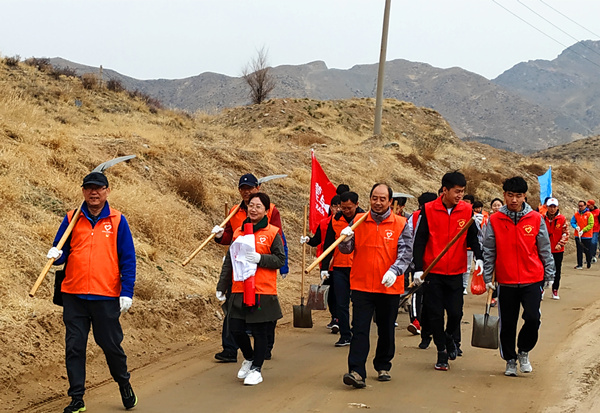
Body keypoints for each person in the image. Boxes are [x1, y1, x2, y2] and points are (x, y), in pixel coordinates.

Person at [47, 172, 137, 413]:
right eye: (89, 188)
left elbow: (128, 259)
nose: (93, 193)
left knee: (110, 345)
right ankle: (77, 398)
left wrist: (126, 292)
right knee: (74, 347)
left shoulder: (118, 220)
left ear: (107, 191)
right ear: (83, 191)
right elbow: (61, 251)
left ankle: (123, 382)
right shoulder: (72, 218)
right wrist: (56, 254)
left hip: (105, 295)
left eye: (98, 188)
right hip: (73, 294)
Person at [338, 183, 413, 388]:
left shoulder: (401, 223)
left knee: (386, 328)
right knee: (359, 329)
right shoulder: (358, 221)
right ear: (369, 199)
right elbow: (346, 250)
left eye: (382, 199)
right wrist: (345, 239)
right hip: (361, 285)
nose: (378, 202)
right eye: (374, 198)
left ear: (390, 201)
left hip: (388, 286)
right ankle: (356, 371)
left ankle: (383, 365)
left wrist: (394, 271)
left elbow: (406, 253)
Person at [482, 177, 555, 377]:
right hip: (506, 281)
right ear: (504, 195)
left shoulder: (536, 218)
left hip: (532, 278)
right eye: (510, 195)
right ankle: (510, 359)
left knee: (533, 318)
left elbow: (544, 248)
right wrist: (488, 277)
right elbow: (489, 250)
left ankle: (523, 350)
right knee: (507, 323)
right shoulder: (495, 220)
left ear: (525, 196)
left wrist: (549, 273)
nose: (514, 200)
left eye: (518, 196)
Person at [412, 171, 483, 371]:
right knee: (435, 314)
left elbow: (473, 238)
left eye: (462, 191)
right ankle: (441, 350)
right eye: (457, 191)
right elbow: (420, 240)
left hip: (455, 271)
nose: (460, 195)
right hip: (433, 271)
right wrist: (418, 269)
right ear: (445, 190)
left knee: (455, 313)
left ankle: (450, 337)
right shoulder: (428, 209)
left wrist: (479, 257)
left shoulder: (466, 210)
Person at [212, 173, 286, 363]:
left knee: (262, 317)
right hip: (239, 272)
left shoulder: (271, 210)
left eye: (250, 188)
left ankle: (264, 350)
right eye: (243, 189)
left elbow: (275, 239)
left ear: (257, 188)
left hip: (261, 274)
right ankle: (230, 350)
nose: (246, 192)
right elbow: (230, 238)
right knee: (234, 316)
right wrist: (220, 236)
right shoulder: (234, 212)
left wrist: (266, 259)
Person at [320, 191, 364, 346]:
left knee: (358, 302)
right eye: (343, 207)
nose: (346, 211)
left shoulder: (364, 219)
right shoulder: (335, 220)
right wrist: (324, 267)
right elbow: (328, 245)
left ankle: (357, 331)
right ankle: (345, 335)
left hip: (358, 267)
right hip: (339, 267)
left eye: (349, 208)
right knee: (341, 302)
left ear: (357, 205)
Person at [301, 195, 342, 331]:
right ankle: (334, 317)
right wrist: (307, 239)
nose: (337, 209)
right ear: (331, 208)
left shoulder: (346, 224)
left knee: (339, 292)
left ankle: (340, 318)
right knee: (329, 292)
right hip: (325, 263)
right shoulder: (324, 223)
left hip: (341, 263)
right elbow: (316, 240)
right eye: (335, 206)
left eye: (340, 207)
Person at [406, 192, 437, 347]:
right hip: (419, 262)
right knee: (418, 291)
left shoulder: (438, 216)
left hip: (434, 263)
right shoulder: (415, 217)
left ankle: (425, 325)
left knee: (429, 296)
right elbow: (410, 238)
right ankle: (416, 320)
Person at [544, 198, 569, 300]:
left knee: (557, 270)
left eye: (554, 207)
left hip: (557, 249)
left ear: (557, 207)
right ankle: (541, 289)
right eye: (550, 206)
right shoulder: (542, 218)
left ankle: (555, 290)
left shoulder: (562, 219)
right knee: (542, 269)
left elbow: (565, 233)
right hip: (545, 249)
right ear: (547, 207)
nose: (552, 209)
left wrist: (560, 244)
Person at [570, 200, 594, 269]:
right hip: (578, 235)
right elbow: (572, 222)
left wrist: (583, 230)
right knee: (579, 250)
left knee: (587, 250)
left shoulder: (589, 214)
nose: (580, 207)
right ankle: (579, 264)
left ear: (585, 206)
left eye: (581, 206)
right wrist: (575, 227)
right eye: (579, 206)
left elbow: (591, 224)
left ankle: (588, 261)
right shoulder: (576, 214)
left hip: (587, 236)